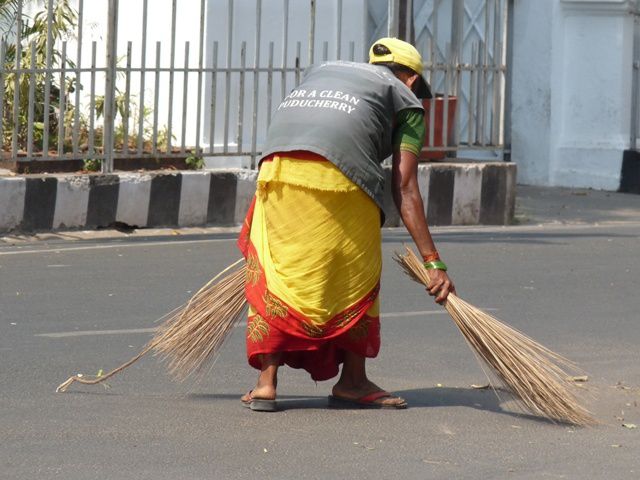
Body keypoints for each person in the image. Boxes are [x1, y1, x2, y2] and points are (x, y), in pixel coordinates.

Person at [237, 37, 455, 411]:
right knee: (357, 275)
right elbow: (404, 186)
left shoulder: (324, 72)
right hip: (339, 177)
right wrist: (432, 262)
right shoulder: (406, 100)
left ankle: (266, 383)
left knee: (277, 272)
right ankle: (352, 381)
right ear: (413, 80)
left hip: (275, 171)